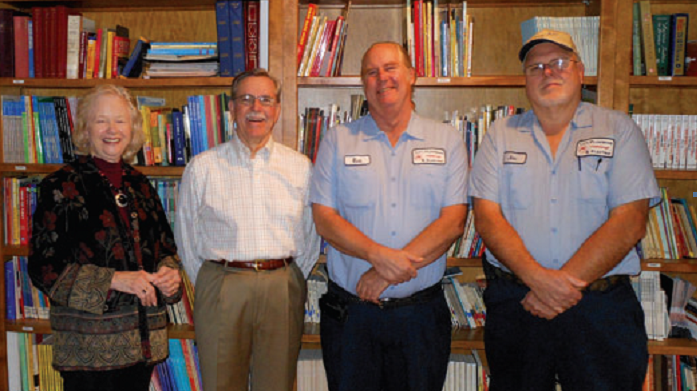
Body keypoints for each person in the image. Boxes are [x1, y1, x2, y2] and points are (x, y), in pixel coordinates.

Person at [468, 29, 661, 391]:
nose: (548, 73)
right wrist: (540, 282)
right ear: (525, 80)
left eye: (558, 63)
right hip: (519, 304)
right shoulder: (499, 134)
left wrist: (558, 287)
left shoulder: (619, 129)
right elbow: (487, 218)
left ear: (580, 71)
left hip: (600, 308)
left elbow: (630, 221)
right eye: (535, 67)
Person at [310, 41, 468, 391]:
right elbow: (324, 219)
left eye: (391, 67)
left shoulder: (448, 139)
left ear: (412, 75)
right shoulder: (338, 140)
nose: (382, 78)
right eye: (371, 72)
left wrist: (384, 276)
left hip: (421, 318)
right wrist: (379, 258)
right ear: (363, 84)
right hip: (352, 317)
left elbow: (453, 222)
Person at [28, 84, 183, 391]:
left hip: (142, 347)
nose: (112, 130)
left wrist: (170, 276)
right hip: (88, 353)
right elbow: (44, 270)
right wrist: (115, 279)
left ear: (133, 128)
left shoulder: (141, 185)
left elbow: (165, 249)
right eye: (101, 120)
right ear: (86, 128)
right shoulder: (59, 187)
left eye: (120, 120)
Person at [175, 68, 320, 391]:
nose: (256, 107)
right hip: (223, 285)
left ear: (277, 109)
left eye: (266, 99)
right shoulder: (203, 167)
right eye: (246, 99)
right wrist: (217, 281)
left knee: (277, 383)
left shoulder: (300, 167)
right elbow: (186, 237)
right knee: (222, 383)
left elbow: (311, 235)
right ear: (232, 108)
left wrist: (289, 277)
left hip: (281, 286)